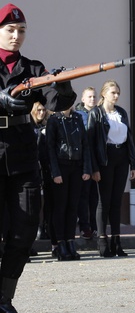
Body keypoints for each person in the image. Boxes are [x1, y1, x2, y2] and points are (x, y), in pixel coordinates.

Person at [0, 3, 76, 313]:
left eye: (21, 31)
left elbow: (56, 103)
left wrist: (63, 88)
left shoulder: (33, 67)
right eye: (10, 30)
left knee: (24, 233)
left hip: (22, 159)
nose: (17, 36)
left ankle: (4, 302)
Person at [88, 80, 135, 257]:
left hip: (121, 158)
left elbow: (129, 139)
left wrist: (134, 163)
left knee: (117, 201)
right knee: (104, 201)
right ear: (104, 94)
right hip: (105, 159)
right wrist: (94, 167)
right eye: (112, 93)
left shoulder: (122, 113)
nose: (116, 96)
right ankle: (102, 241)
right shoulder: (97, 113)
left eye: (117, 93)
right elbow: (91, 143)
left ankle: (117, 241)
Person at [46, 104, 92, 261]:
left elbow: (85, 144)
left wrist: (86, 169)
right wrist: (55, 172)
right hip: (61, 166)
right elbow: (50, 147)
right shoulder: (54, 120)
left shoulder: (78, 118)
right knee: (60, 207)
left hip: (76, 167)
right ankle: (60, 244)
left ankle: (70, 241)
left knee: (73, 206)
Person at [75, 87, 98, 239]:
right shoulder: (78, 115)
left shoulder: (99, 113)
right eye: (89, 96)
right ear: (83, 99)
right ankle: (84, 227)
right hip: (83, 161)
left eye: (94, 96)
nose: (92, 99)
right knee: (83, 196)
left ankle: (95, 226)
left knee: (95, 197)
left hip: (98, 160)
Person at [32, 102, 53, 242]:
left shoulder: (47, 125)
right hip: (33, 167)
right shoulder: (30, 126)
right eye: (38, 110)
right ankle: (36, 229)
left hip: (47, 167)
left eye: (43, 110)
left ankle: (45, 227)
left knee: (49, 201)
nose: (41, 113)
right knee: (34, 202)